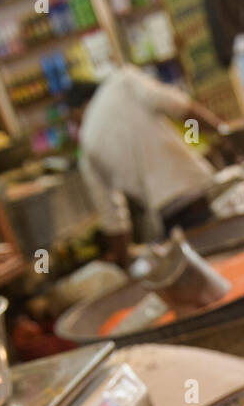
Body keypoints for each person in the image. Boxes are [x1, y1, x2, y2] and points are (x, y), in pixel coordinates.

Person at [70, 65, 226, 264]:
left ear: (76, 110)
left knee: (207, 266)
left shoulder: (86, 143)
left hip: (167, 216)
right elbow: (182, 109)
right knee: (226, 260)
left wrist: (124, 262)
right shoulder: (122, 81)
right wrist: (221, 132)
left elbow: (113, 217)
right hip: (195, 192)